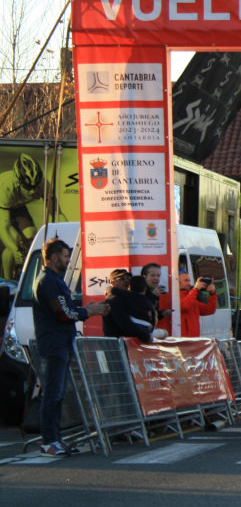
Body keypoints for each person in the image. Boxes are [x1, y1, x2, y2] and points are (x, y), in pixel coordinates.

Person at [33, 238, 109, 456]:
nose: (68, 260)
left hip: (61, 342)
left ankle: (56, 438)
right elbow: (63, 313)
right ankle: (49, 440)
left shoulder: (54, 280)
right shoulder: (48, 281)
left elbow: (66, 308)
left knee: (57, 393)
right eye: (66, 256)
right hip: (54, 343)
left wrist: (85, 309)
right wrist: (88, 312)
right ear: (55, 257)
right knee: (53, 393)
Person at [1, 153, 44, 280]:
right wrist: (15, 250)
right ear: (18, 182)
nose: (32, 191)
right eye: (27, 187)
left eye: (34, 186)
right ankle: (8, 281)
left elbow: (57, 213)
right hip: (2, 207)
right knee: (13, 243)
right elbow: (4, 227)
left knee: (30, 235)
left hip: (16, 206)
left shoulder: (43, 184)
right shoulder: (5, 187)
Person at [102, 268, 154, 343]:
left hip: (122, 343)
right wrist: (146, 336)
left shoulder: (126, 298)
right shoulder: (114, 300)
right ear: (113, 283)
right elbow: (126, 325)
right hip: (115, 344)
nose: (126, 281)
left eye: (128, 278)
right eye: (122, 279)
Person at [177, 271, 217, 337]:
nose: (189, 283)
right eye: (186, 280)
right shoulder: (176, 296)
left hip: (194, 339)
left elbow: (210, 309)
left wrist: (212, 294)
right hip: (183, 340)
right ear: (177, 282)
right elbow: (184, 306)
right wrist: (196, 289)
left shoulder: (192, 297)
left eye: (189, 280)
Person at [141, 263, 174, 334]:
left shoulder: (154, 291)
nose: (156, 278)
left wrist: (162, 314)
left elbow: (153, 315)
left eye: (158, 276)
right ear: (144, 276)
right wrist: (152, 296)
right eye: (153, 275)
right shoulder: (140, 291)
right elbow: (143, 313)